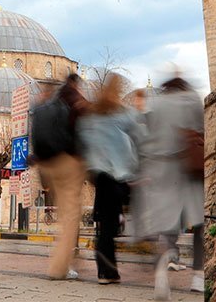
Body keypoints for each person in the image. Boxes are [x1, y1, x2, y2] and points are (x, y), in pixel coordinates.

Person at [139, 74, 205, 300]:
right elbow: (201, 130)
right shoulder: (192, 100)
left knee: (167, 227)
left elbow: (148, 140)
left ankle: (161, 276)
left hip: (162, 172)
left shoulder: (157, 105)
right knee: (199, 224)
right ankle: (198, 276)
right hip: (188, 169)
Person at [76, 73, 141, 285]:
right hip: (116, 175)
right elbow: (138, 128)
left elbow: (83, 141)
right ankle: (107, 270)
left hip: (98, 175)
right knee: (110, 225)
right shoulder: (120, 114)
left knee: (106, 224)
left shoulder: (90, 118)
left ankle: (107, 271)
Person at [29, 73, 87, 280]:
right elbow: (78, 134)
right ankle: (59, 267)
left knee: (65, 216)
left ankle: (66, 262)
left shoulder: (40, 109)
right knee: (71, 218)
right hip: (66, 163)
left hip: (47, 165)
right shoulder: (73, 102)